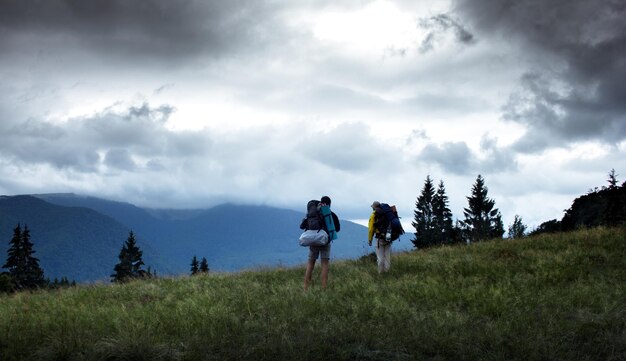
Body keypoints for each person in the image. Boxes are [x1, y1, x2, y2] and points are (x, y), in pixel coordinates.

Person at [303, 195, 340, 290]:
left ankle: (306, 288)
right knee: (324, 264)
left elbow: (303, 225)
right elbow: (337, 229)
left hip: (313, 241)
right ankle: (324, 287)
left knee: (310, 264)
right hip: (325, 242)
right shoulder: (331, 214)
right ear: (330, 204)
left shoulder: (313, 213)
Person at [367, 201, 391, 273]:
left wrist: (370, 239)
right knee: (387, 257)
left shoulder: (374, 215)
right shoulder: (386, 213)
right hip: (388, 236)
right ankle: (387, 272)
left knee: (380, 257)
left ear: (374, 207)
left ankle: (381, 273)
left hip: (379, 238)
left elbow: (371, 229)